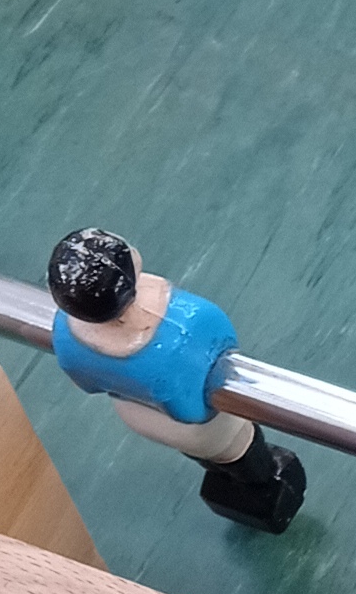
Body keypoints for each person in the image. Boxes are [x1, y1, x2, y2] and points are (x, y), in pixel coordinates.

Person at [45, 226, 307, 529]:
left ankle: (225, 475)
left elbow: (87, 385)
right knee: (240, 452)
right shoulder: (192, 322)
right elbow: (190, 408)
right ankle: (262, 486)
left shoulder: (65, 337)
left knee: (203, 454)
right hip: (203, 425)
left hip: (135, 415)